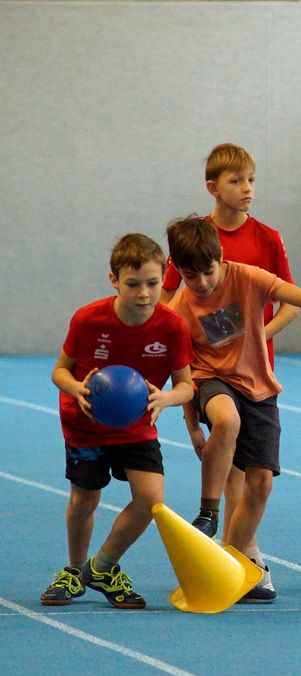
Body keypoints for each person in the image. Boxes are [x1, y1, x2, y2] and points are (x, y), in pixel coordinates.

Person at [166, 215, 301, 603]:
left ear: (220, 258)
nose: (199, 283)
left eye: (206, 272)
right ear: (178, 271)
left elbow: (297, 295)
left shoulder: (246, 277)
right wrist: (193, 429)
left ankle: (230, 561)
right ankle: (209, 511)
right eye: (188, 275)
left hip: (259, 387)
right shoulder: (180, 307)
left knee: (261, 483)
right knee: (226, 419)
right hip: (210, 380)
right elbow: (179, 372)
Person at [161, 143, 297, 601]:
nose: (247, 190)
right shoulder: (194, 240)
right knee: (233, 456)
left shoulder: (267, 238)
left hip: (255, 367)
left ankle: (237, 554)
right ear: (213, 188)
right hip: (210, 370)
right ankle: (243, 556)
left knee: (256, 471)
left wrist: (256, 333)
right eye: (237, 182)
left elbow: (288, 301)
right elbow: (168, 307)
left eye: (252, 181)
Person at [41, 234, 194, 609]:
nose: (144, 293)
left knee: (151, 500)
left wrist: (166, 398)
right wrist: (76, 388)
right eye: (133, 284)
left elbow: (187, 386)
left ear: (164, 280)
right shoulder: (88, 319)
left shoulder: (172, 326)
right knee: (84, 499)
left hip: (138, 426)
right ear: (114, 280)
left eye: (153, 283)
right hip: (86, 425)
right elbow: (60, 371)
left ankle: (104, 566)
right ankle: (74, 570)